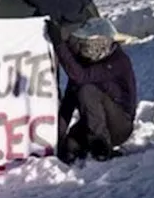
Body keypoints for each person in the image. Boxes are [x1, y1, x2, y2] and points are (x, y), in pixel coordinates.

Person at [47, 18, 136, 163]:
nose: (83, 47)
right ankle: (91, 144)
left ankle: (102, 147)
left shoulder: (118, 60)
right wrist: (57, 138)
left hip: (120, 125)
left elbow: (81, 77)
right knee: (69, 147)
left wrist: (59, 44)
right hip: (94, 123)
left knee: (86, 90)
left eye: (87, 43)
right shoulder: (85, 64)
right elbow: (68, 104)